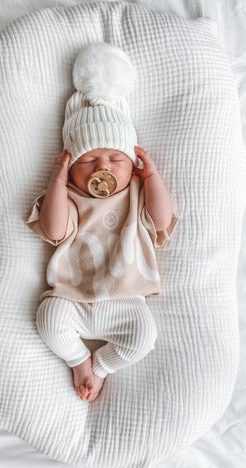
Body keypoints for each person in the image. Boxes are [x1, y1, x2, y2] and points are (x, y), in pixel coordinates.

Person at [25, 42, 179, 402]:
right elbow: (53, 230)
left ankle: (100, 366)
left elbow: (162, 221)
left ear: (133, 164)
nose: (103, 168)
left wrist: (153, 177)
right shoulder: (70, 198)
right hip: (72, 297)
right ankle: (79, 361)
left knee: (144, 338)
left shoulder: (137, 192)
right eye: (89, 160)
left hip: (125, 298)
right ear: (71, 169)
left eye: (115, 158)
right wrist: (57, 184)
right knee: (47, 319)